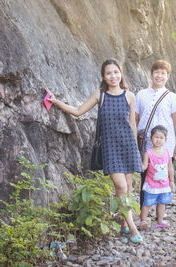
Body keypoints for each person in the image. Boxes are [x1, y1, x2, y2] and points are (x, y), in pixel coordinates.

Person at [44, 58, 143, 243]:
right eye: (108, 73)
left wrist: (136, 149)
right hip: (110, 148)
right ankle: (133, 228)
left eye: (116, 72)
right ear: (103, 77)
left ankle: (123, 223)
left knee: (128, 188)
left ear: (120, 73)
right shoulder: (100, 95)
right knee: (121, 187)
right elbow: (78, 111)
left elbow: (132, 124)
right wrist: (56, 102)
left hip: (128, 145)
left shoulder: (130, 96)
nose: (113, 76)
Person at [135, 59, 176, 206]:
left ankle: (160, 213)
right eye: (157, 72)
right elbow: (135, 119)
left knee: (163, 176)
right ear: (151, 74)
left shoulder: (172, 97)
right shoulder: (141, 95)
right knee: (145, 175)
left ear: (167, 76)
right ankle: (144, 210)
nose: (159, 76)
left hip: (166, 144)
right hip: (146, 142)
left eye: (163, 73)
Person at [139, 125, 175, 230]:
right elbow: (144, 167)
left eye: (161, 138)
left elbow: (170, 168)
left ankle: (159, 221)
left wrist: (171, 180)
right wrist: (137, 164)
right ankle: (143, 221)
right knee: (147, 203)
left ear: (165, 139)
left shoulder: (167, 153)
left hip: (164, 185)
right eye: (156, 137)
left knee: (162, 203)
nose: (158, 140)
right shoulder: (148, 153)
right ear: (151, 138)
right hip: (152, 184)